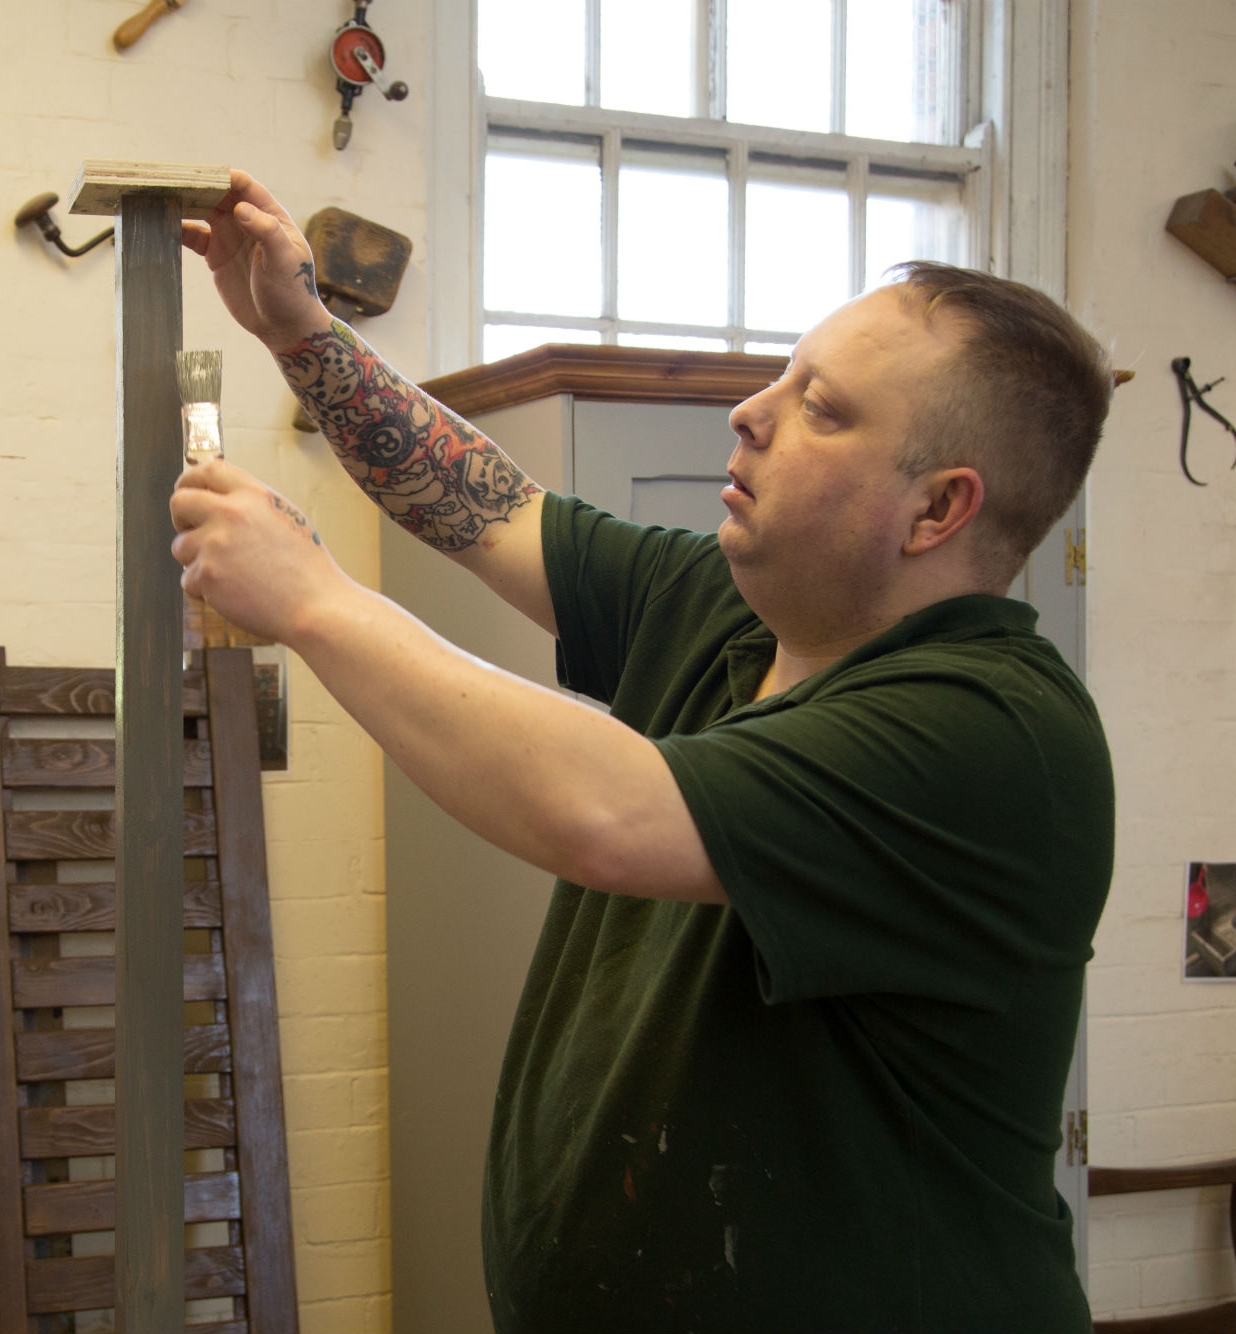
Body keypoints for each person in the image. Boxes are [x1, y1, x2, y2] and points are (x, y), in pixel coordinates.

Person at [172, 170, 1116, 1332]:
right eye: (781, 373)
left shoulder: (988, 732)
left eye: (819, 407)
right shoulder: (735, 611)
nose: (749, 412)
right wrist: (298, 330)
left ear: (936, 511)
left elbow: (603, 811)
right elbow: (485, 508)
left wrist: (311, 601)